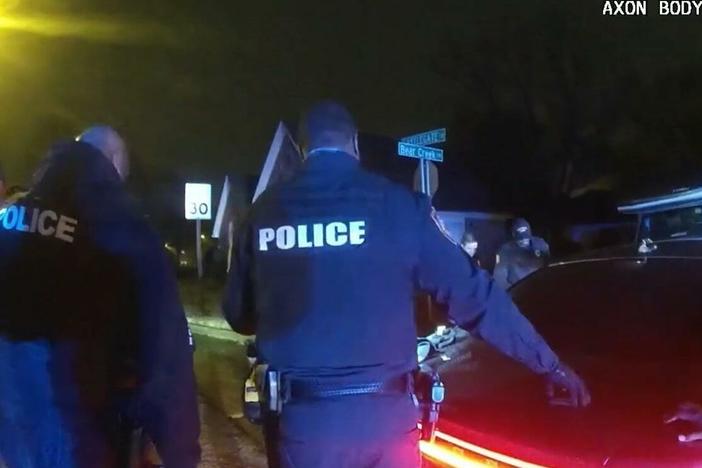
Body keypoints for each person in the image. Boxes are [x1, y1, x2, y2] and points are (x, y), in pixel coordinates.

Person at [222, 101, 590, 468]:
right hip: (387, 424)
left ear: (302, 150)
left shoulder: (264, 213)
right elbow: (476, 297)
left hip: (304, 428)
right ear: (355, 145)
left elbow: (238, 314)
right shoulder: (398, 206)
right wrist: (550, 366)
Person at [0, 126, 200, 468]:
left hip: (14, 427)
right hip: (83, 431)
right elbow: (166, 355)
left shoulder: (11, 218)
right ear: (115, 161)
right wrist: (181, 452)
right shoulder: (125, 227)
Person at [493, 217, 550, 290]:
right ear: (513, 235)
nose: (524, 241)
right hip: (518, 290)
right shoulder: (504, 251)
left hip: (539, 288)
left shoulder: (541, 245)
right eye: (521, 239)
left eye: (526, 238)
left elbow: (548, 268)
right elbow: (499, 278)